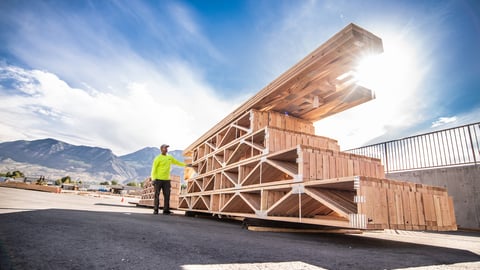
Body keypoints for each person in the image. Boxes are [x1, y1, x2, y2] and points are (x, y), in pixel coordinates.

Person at [150, 144, 186, 215]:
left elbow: (177, 162)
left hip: (166, 180)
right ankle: (156, 210)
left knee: (167, 195)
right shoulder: (158, 158)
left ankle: (166, 210)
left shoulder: (169, 157)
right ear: (161, 149)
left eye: (167, 148)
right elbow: (154, 169)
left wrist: (186, 165)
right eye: (165, 148)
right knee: (156, 195)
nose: (166, 149)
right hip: (158, 179)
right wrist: (153, 179)